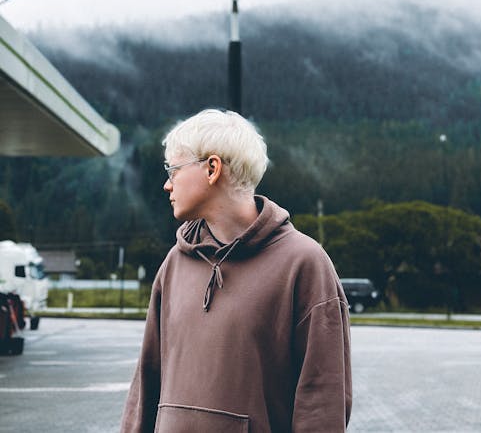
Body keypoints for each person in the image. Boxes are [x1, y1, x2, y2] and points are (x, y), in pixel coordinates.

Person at [120, 109, 352, 433]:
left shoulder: (304, 264)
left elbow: (322, 403)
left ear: (212, 168)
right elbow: (146, 383)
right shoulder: (174, 263)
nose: (166, 185)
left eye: (173, 170)